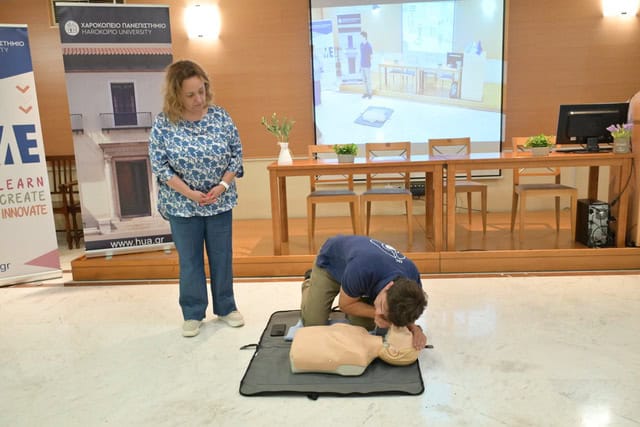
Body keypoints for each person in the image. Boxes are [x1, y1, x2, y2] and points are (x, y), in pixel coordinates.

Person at [149, 59, 244, 337]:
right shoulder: (164, 123)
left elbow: (236, 154)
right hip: (181, 204)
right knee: (190, 261)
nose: (198, 99)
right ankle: (192, 313)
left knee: (222, 257)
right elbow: (160, 165)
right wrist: (189, 192)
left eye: (201, 91)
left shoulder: (220, 116)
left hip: (219, 202)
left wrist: (222, 186)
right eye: (190, 95)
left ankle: (226, 307)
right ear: (175, 94)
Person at [301, 235, 428, 349]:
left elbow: (405, 310)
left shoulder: (412, 283)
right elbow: (345, 305)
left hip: (359, 278)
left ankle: (352, 290)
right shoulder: (363, 267)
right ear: (388, 287)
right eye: (381, 306)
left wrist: (414, 329)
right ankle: (309, 282)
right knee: (313, 324)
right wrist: (375, 314)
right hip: (332, 265)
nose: (378, 311)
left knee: (363, 328)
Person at [360, 31, 373, 99]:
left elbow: (371, 56)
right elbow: (361, 55)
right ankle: (366, 93)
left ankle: (370, 93)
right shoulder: (361, 44)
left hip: (367, 65)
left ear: (364, 37)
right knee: (364, 80)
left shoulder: (369, 46)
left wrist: (368, 60)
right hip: (362, 65)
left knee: (368, 80)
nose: (360, 38)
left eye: (361, 36)